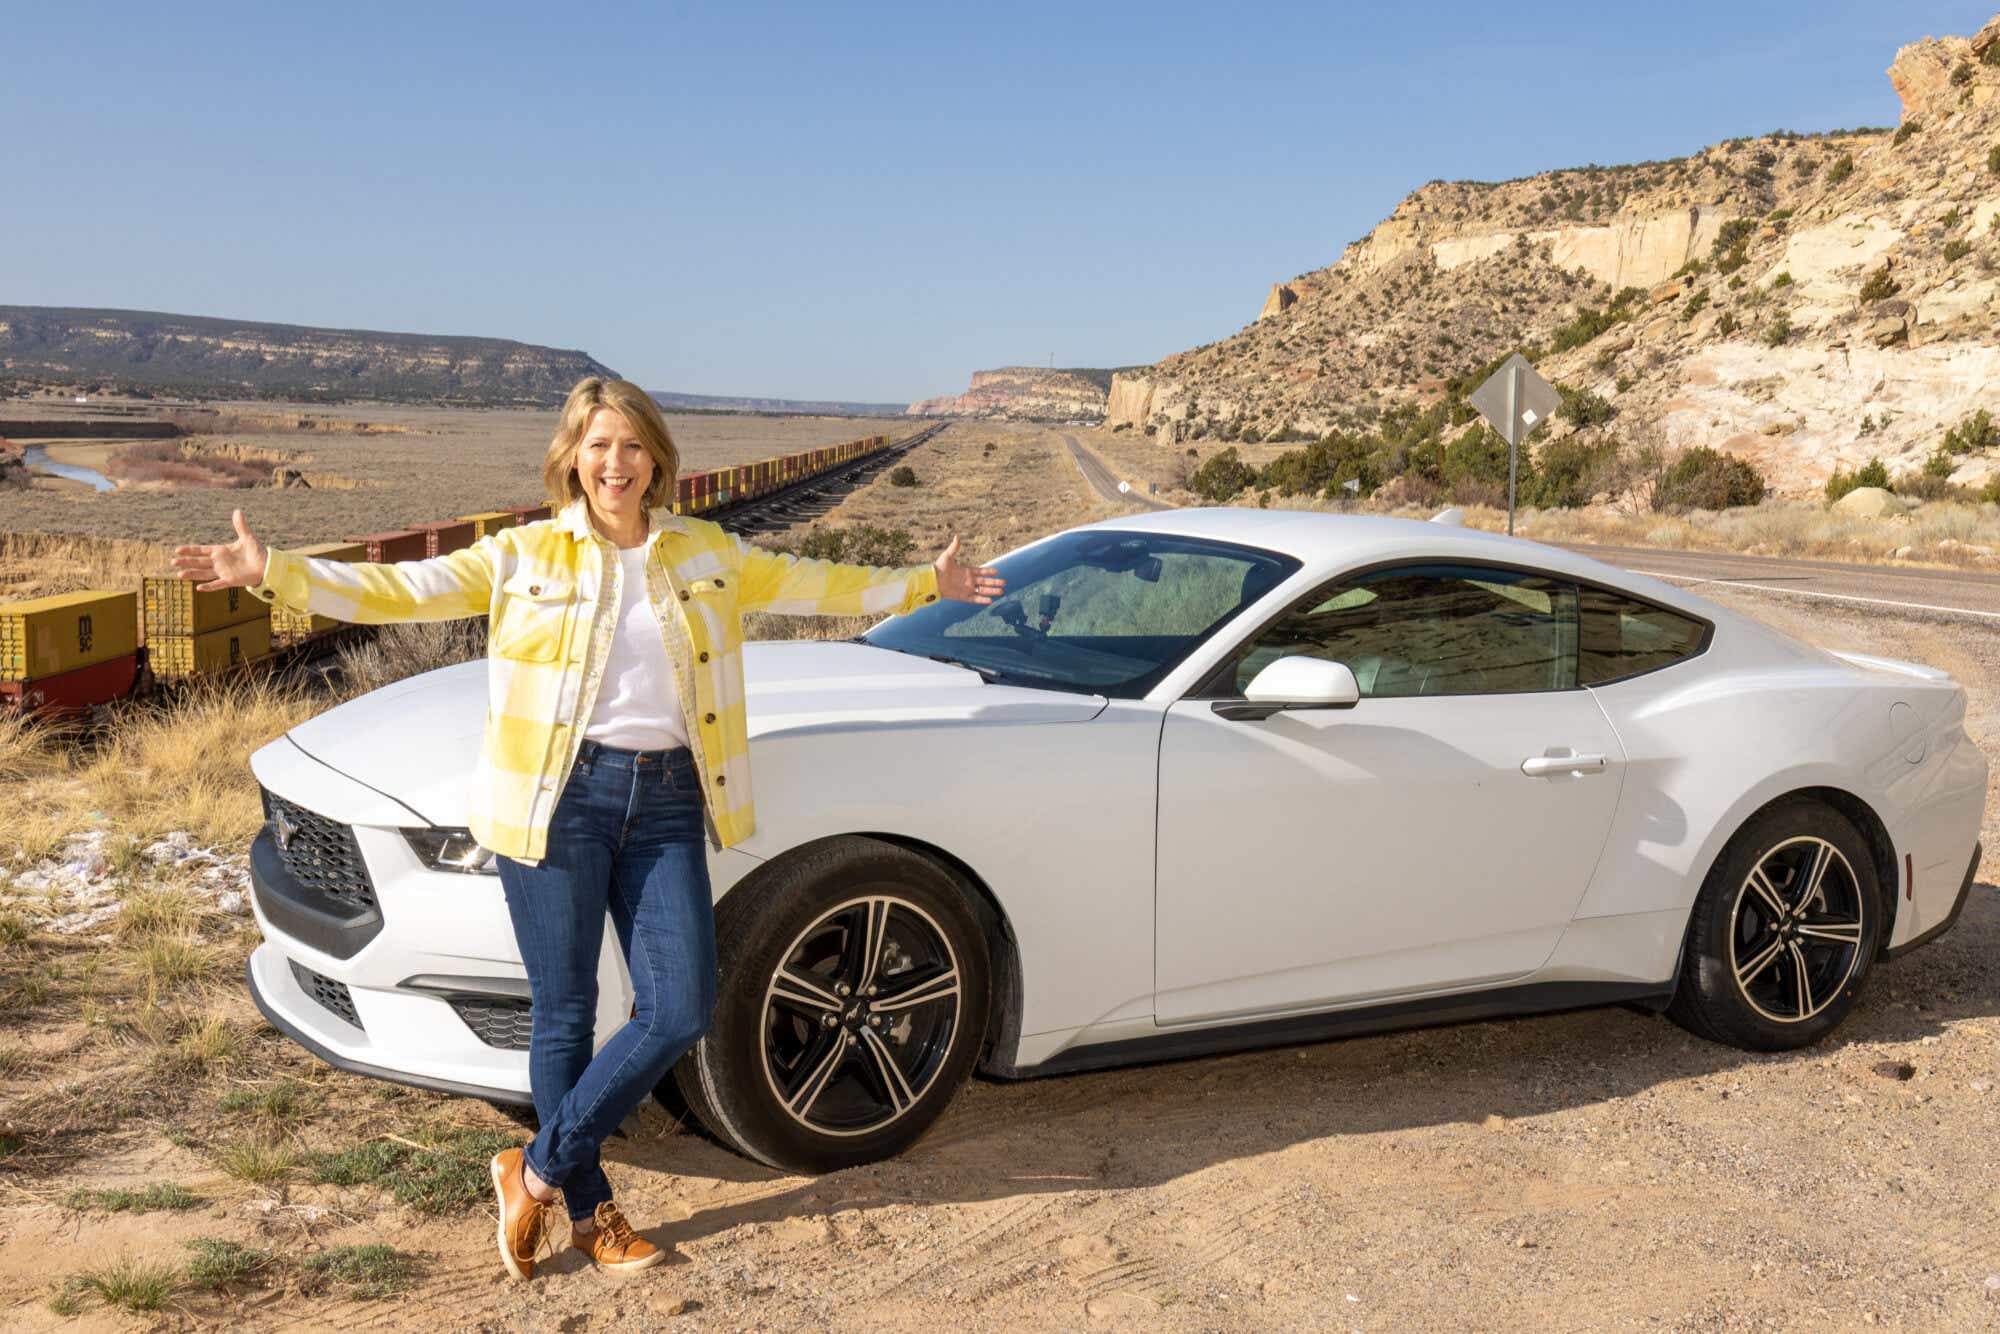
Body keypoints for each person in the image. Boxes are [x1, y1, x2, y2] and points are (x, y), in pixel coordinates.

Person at [173, 378, 1003, 1280]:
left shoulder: (705, 552)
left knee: (680, 1005)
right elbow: (400, 590)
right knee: (564, 1011)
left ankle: (530, 1168)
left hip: (670, 799)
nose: (617, 462)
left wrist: (930, 581)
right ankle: (589, 1207)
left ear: (657, 459)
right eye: (600, 445)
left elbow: (820, 586)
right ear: (573, 455)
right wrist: (275, 573)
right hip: (557, 798)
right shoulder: (523, 554)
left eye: (634, 446)